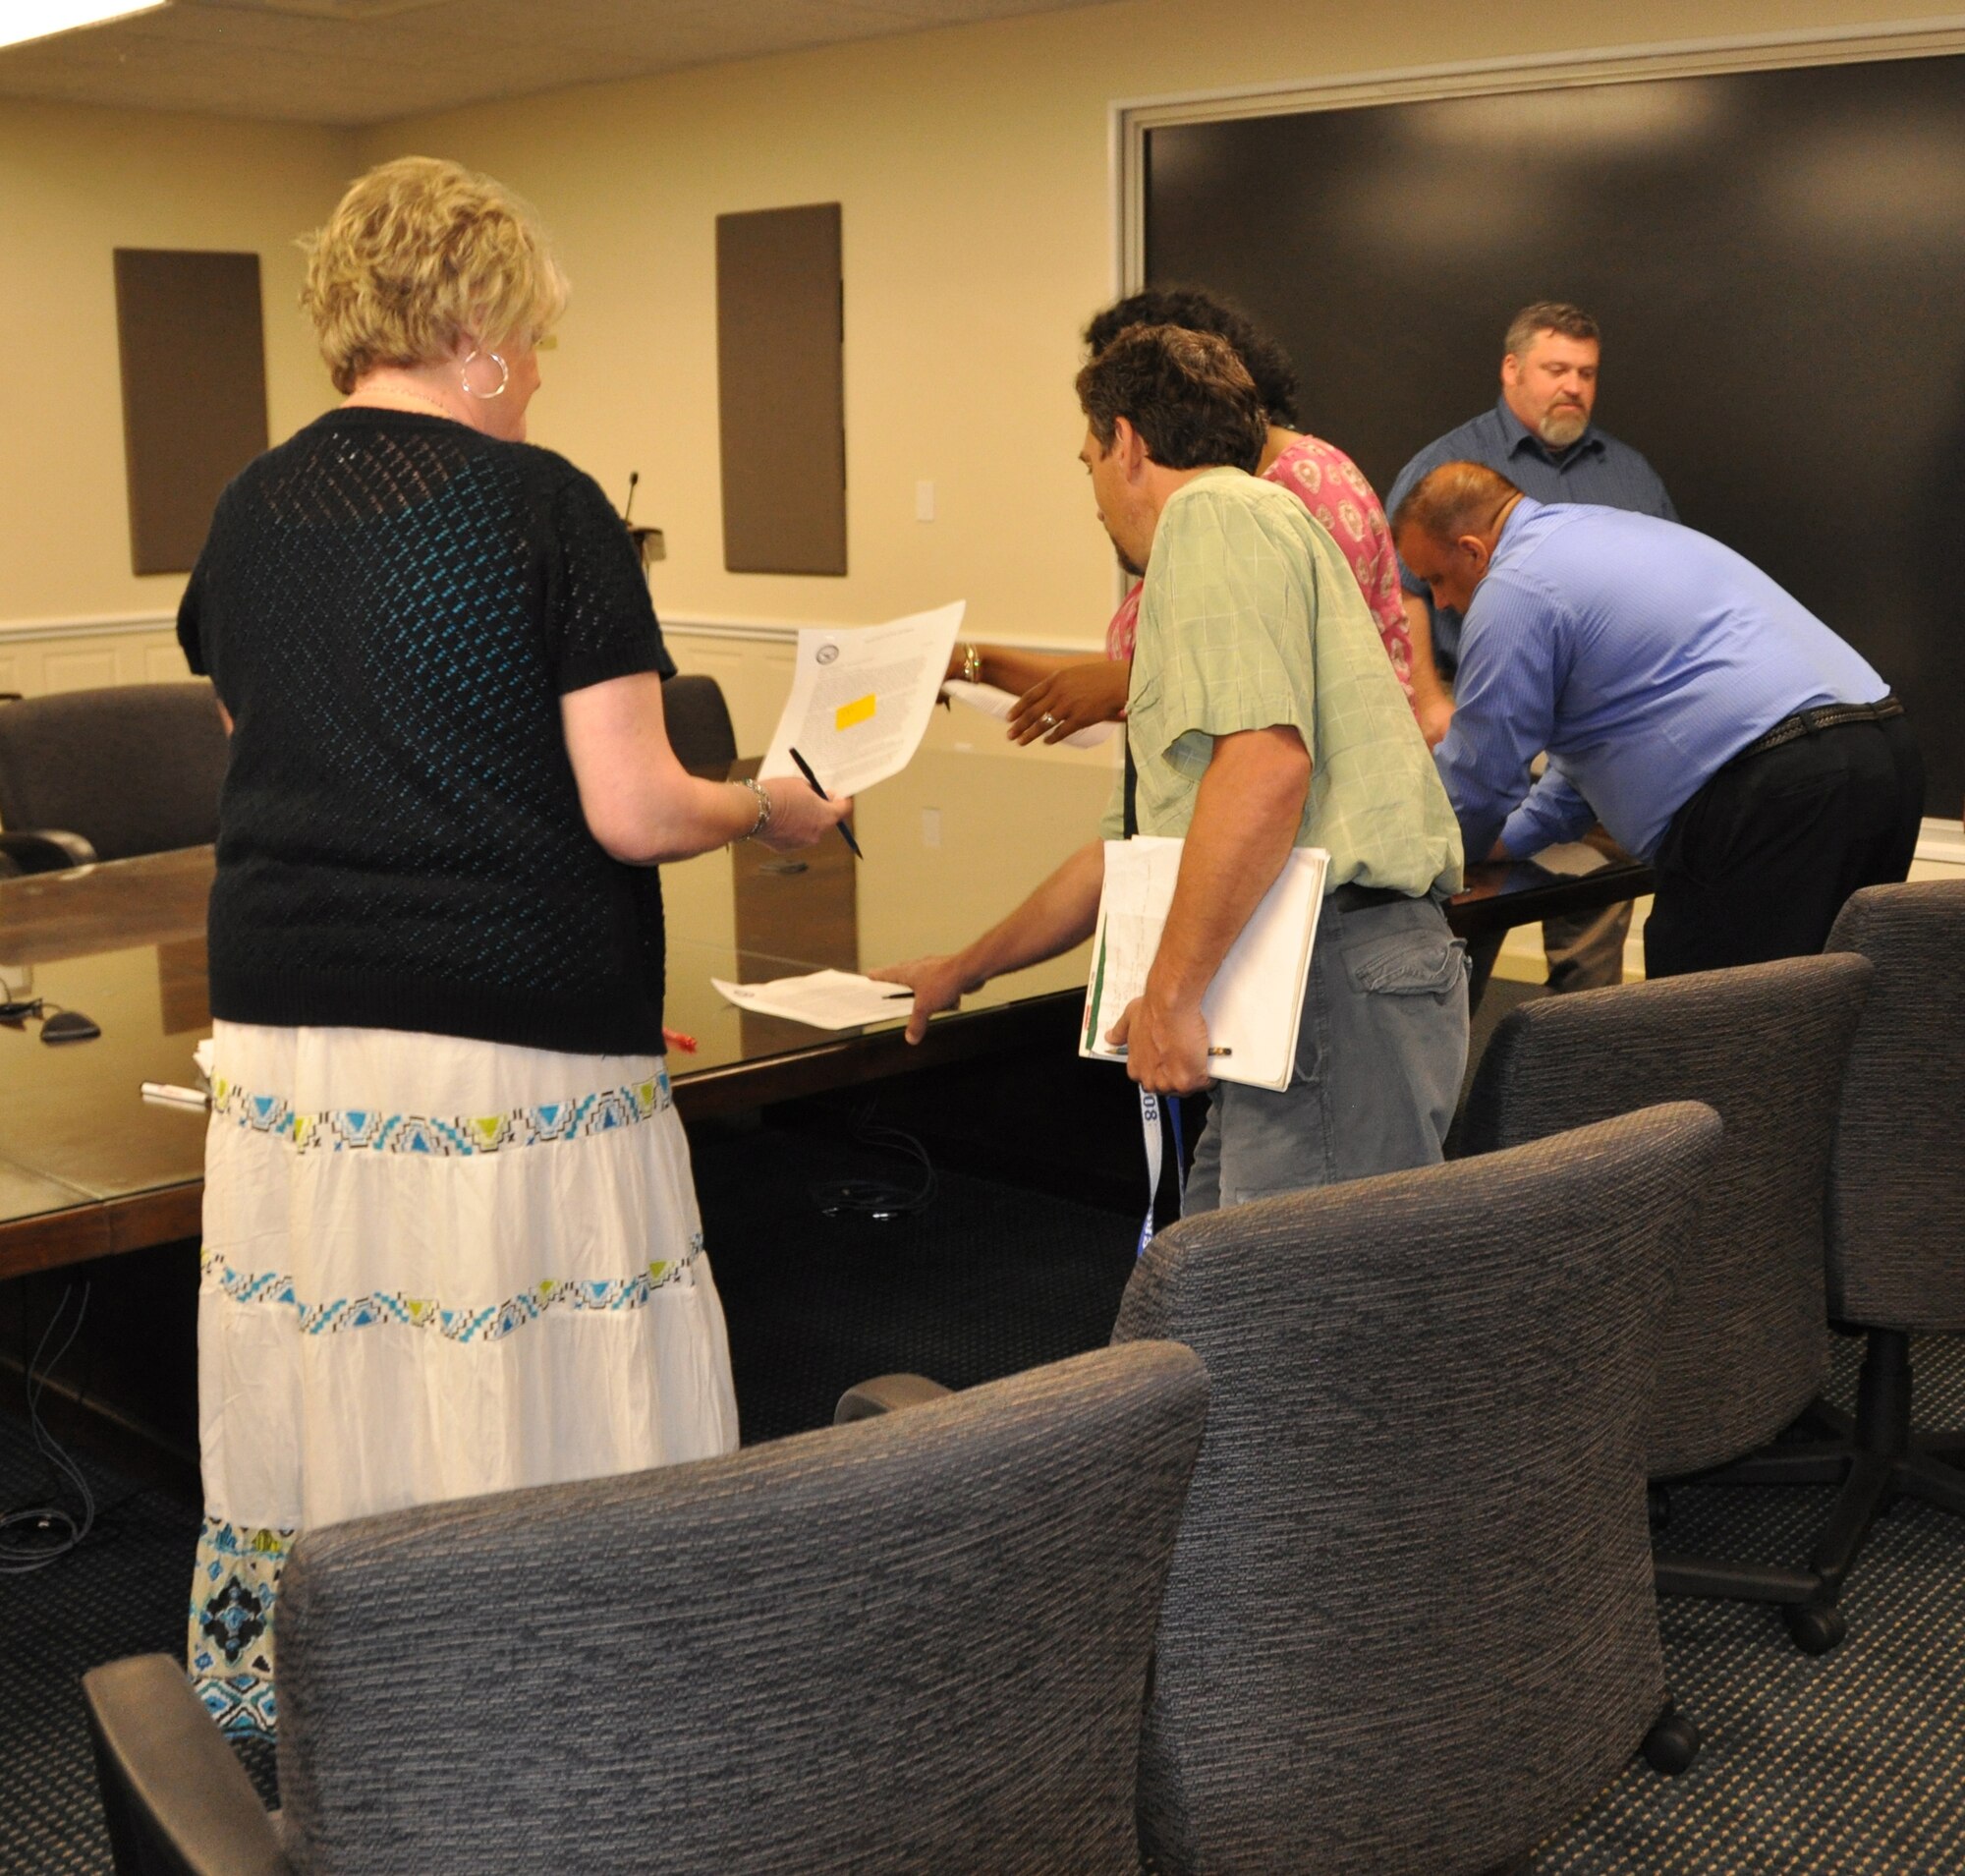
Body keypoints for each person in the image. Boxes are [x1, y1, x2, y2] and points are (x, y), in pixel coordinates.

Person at [176, 156, 849, 1737]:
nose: (538, 371)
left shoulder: (250, 505)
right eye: (533, 340)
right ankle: (557, 1691)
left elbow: (251, 727)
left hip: (285, 1034)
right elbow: (629, 807)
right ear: (474, 330)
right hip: (510, 1025)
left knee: (341, 1360)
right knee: (521, 1358)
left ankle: (353, 1705)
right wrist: (768, 804)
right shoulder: (543, 507)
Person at [877, 325, 1466, 1210]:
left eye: (1088, 462)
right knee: (1217, 1293)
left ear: (1128, 442)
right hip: (1319, 978)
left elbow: (1266, 768)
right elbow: (1122, 860)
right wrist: (963, 967)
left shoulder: (1213, 516)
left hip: (1331, 974)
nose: (1094, 498)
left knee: (1301, 1327)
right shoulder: (1251, 531)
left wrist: (1169, 994)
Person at [1394, 462, 1923, 977]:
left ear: (1473, 550)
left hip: (1778, 788)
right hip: (1885, 758)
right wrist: (1507, 841)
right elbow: (1590, 758)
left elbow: (1481, 769)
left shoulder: (1513, 586)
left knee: (1712, 1034)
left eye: (1435, 579)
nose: (1439, 602)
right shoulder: (1606, 531)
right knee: (1834, 1013)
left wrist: (1430, 858)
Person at [951, 288, 1414, 748]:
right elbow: (1142, 670)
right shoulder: (1206, 509)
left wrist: (1127, 685)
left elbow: (1281, 694)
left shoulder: (1307, 488)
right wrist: (981, 663)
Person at [1384, 302, 1675, 995]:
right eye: (1556, 369)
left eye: (1586, 372)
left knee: (1590, 904)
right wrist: (1429, 699)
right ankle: (1452, 1045)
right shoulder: (1445, 469)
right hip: (1476, 706)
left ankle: (1583, 1058)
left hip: (1593, 718)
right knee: (1471, 899)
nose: (1573, 385)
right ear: (1512, 370)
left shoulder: (1631, 476)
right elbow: (1405, 591)